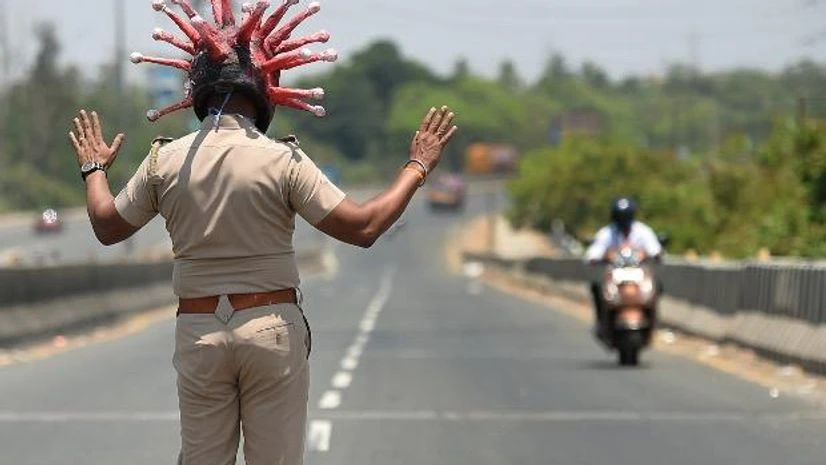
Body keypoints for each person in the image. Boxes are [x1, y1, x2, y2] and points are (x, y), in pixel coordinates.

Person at [67, 2, 458, 464]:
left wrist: (94, 170)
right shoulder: (281, 160)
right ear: (266, 85)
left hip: (197, 332)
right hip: (271, 328)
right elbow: (366, 226)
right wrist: (417, 166)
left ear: (197, 86)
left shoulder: (163, 162)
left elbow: (108, 227)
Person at [584, 197, 662, 335]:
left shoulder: (642, 231)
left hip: (638, 272)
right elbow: (593, 253)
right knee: (597, 288)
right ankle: (602, 322)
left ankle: (653, 322)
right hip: (615, 273)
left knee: (657, 286)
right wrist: (604, 256)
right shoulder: (607, 233)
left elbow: (655, 250)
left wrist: (647, 254)